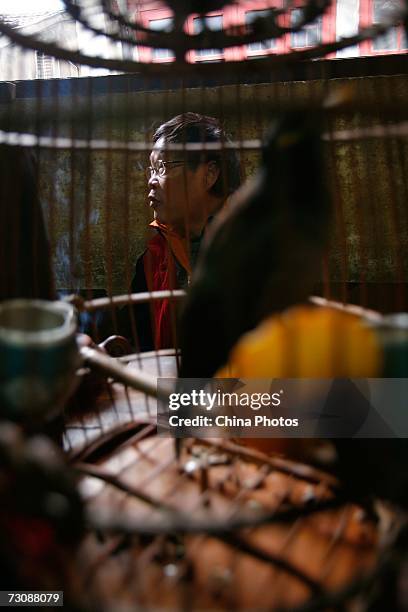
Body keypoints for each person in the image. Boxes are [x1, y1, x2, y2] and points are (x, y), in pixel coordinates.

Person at [110, 112, 241, 351]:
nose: (151, 180)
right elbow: (132, 337)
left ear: (209, 174)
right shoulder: (155, 257)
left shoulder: (250, 250)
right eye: (151, 170)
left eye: (163, 167)